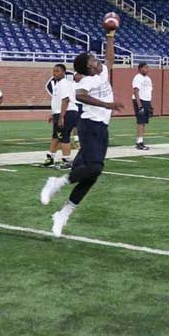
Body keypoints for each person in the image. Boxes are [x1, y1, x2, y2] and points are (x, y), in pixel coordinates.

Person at [39, 23, 124, 237]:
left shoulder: (102, 71)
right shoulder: (84, 81)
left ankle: (63, 213)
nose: (96, 60)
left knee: (91, 175)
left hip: (102, 128)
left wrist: (110, 35)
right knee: (95, 168)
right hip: (89, 126)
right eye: (92, 60)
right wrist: (107, 105)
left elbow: (110, 59)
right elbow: (81, 96)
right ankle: (57, 182)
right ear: (87, 68)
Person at [42, 64, 79, 169]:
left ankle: (67, 161)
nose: (55, 73)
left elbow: (66, 100)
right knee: (56, 136)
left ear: (64, 72)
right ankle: (50, 158)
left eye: (57, 71)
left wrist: (61, 116)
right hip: (60, 113)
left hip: (68, 113)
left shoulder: (64, 84)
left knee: (64, 137)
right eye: (54, 71)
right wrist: (53, 114)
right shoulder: (58, 84)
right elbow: (57, 101)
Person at [132, 63, 154, 150]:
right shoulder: (137, 77)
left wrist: (150, 105)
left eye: (148, 68)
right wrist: (140, 105)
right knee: (140, 122)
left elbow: (149, 92)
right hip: (140, 100)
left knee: (144, 122)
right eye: (145, 68)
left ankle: (140, 141)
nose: (147, 69)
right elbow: (136, 91)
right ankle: (139, 143)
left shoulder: (148, 79)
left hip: (146, 101)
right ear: (140, 68)